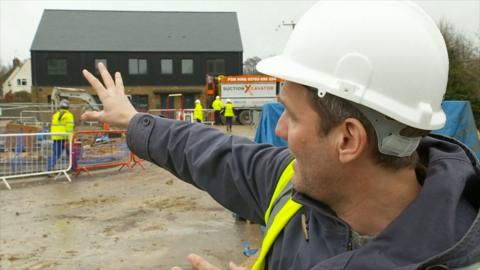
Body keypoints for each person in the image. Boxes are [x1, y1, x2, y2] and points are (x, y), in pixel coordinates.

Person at [81, 1, 480, 270]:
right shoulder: (292, 190)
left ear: (347, 140)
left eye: (291, 114)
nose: (278, 128)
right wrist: (134, 121)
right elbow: (210, 151)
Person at [47, 99, 75, 173]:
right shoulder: (69, 115)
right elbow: (69, 128)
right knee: (70, 154)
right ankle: (74, 168)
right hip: (65, 138)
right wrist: (69, 139)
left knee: (56, 154)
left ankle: (49, 169)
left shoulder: (55, 115)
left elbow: (53, 127)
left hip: (56, 137)